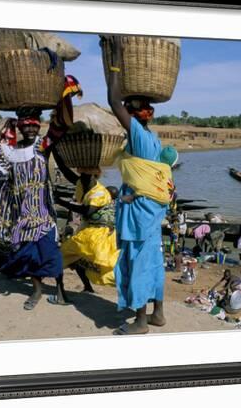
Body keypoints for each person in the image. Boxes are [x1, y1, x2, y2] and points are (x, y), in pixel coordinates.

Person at [0, 75, 83, 311]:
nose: (32, 127)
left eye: (35, 124)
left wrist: (64, 98)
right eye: (27, 124)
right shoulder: (10, 153)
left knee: (52, 254)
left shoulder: (42, 147)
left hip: (43, 214)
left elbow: (62, 125)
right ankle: (37, 291)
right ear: (20, 126)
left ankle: (61, 292)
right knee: (28, 257)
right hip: (21, 216)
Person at [106, 36, 171, 335]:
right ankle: (158, 314)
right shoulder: (152, 138)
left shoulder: (139, 136)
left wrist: (116, 59)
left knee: (138, 261)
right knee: (154, 259)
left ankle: (141, 322)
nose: (124, 112)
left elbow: (112, 99)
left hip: (140, 212)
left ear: (133, 114)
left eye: (128, 109)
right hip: (152, 209)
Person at [52, 149, 120, 294]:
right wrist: (55, 151)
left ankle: (60, 294)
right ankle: (86, 287)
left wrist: (61, 202)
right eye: (82, 175)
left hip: (97, 235)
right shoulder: (83, 183)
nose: (83, 178)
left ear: (95, 176)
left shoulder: (100, 193)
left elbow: (86, 211)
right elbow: (65, 170)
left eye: (87, 176)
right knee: (73, 259)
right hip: (89, 232)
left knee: (62, 257)